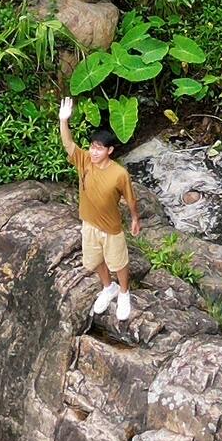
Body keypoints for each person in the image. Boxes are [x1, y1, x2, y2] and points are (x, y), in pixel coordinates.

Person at [58, 92, 139, 323]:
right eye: (92, 147)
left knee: (119, 262)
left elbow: (131, 199)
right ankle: (108, 287)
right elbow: (68, 144)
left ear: (109, 151)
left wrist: (135, 218)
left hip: (111, 228)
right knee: (94, 261)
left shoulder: (119, 173)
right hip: (88, 223)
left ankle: (124, 292)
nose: (94, 152)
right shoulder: (84, 160)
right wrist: (64, 120)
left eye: (99, 148)